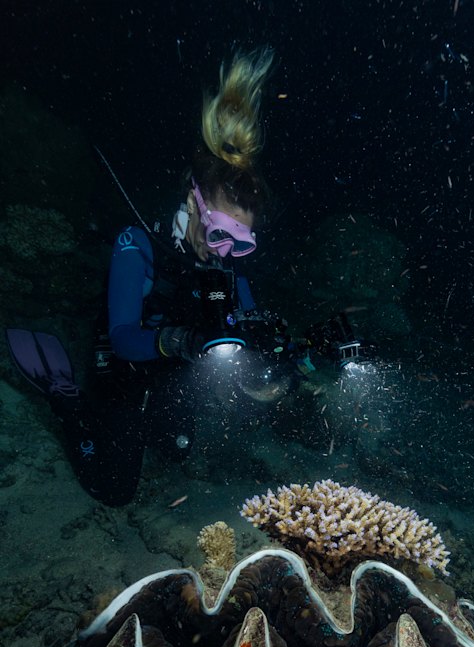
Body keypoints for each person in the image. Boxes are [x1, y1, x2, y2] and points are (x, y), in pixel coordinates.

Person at [7, 48, 276, 507]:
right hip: (123, 373)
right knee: (113, 489)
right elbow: (123, 336)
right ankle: (67, 398)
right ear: (194, 205)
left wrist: (282, 352)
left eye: (241, 243)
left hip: (171, 382)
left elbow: (252, 340)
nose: (223, 252)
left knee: (175, 452)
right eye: (219, 234)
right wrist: (178, 340)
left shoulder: (228, 272)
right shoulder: (137, 245)